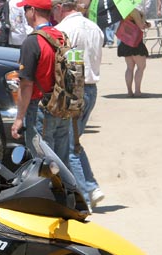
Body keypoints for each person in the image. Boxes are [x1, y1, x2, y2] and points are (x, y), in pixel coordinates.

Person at [53, 0, 106, 205]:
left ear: (60, 8)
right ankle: (91, 187)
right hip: (90, 87)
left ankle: (84, 194)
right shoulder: (94, 28)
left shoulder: (64, 29)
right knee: (74, 141)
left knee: (68, 145)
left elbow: (68, 63)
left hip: (75, 87)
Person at [10, 0, 71, 169]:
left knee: (43, 164)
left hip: (41, 108)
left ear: (33, 11)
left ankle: (48, 194)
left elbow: (26, 85)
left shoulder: (32, 41)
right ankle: (65, 194)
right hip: (62, 104)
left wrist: (19, 118)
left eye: (26, 8)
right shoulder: (61, 36)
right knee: (61, 163)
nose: (24, 13)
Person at [118, 4, 151, 97]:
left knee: (129, 67)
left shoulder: (123, 10)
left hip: (126, 40)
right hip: (135, 41)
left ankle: (129, 91)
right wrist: (144, 19)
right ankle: (137, 91)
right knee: (141, 67)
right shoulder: (134, 11)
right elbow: (141, 25)